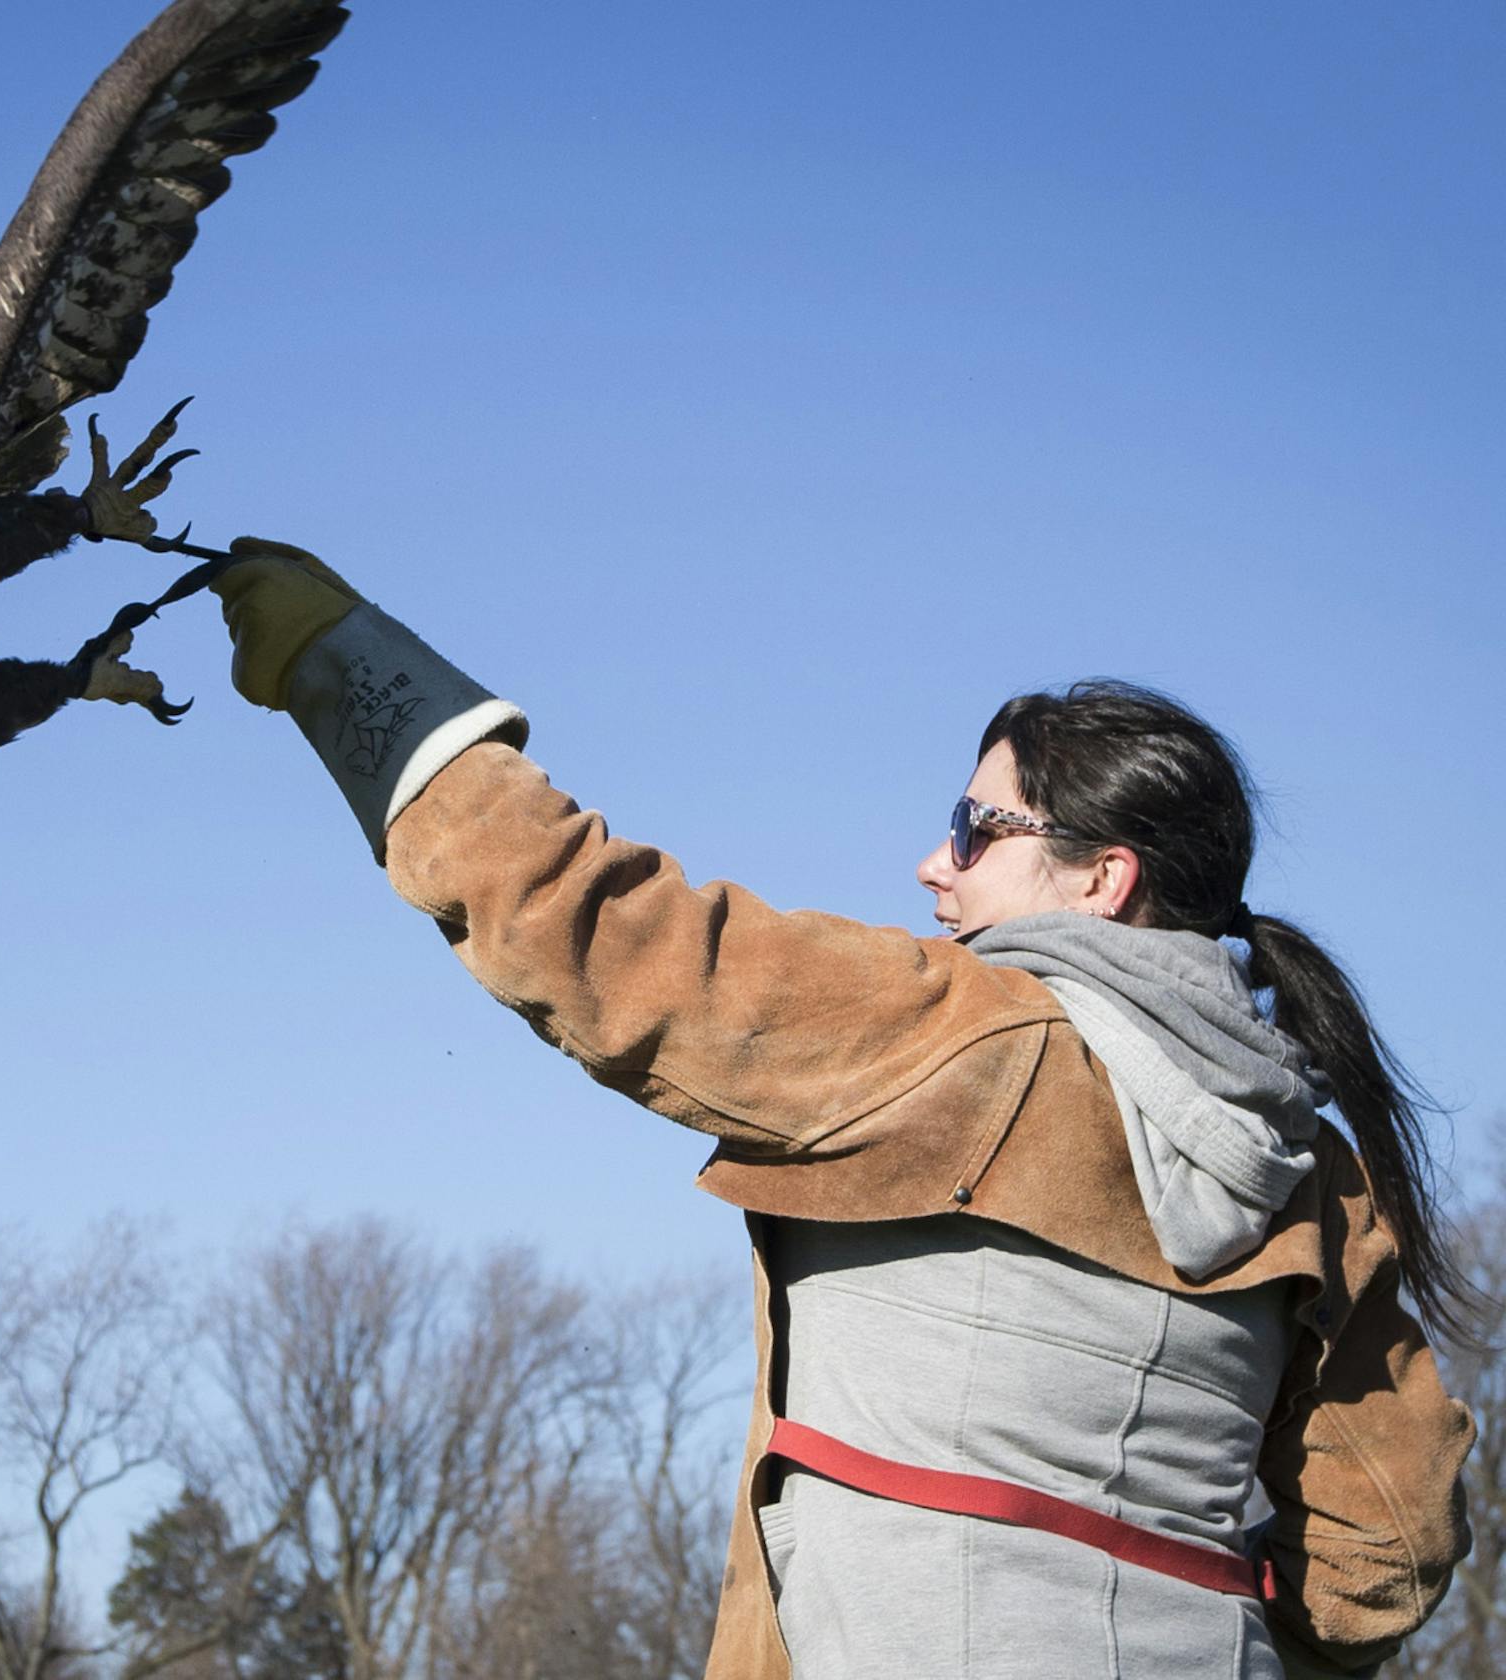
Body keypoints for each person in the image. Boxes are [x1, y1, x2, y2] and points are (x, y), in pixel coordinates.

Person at [203, 541, 1474, 1679]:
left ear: (1102, 879)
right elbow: (1387, 1547)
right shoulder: (1320, 1176)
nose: (936, 862)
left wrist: (347, 668)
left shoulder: (945, 1027)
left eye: (976, 831)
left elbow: (592, 927)